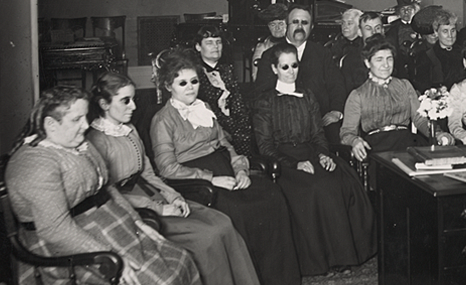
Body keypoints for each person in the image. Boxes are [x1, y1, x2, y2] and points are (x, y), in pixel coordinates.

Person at [6, 86, 201, 285]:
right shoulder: (33, 163)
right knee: (161, 281)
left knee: (182, 259)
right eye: (76, 120)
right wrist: (107, 255)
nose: (85, 125)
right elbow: (55, 230)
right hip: (69, 248)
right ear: (50, 124)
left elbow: (108, 190)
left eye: (85, 117)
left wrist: (138, 223)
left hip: (109, 226)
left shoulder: (80, 144)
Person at [86, 72, 260, 285]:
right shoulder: (96, 141)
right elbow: (110, 195)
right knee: (206, 237)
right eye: (125, 101)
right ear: (104, 104)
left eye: (133, 99)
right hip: (133, 209)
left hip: (155, 193)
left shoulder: (129, 130)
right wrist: (158, 208)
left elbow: (149, 174)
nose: (133, 106)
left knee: (222, 222)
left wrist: (174, 196)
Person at [149, 49, 301, 285]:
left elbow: (225, 144)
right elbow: (167, 169)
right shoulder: (162, 120)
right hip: (196, 181)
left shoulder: (205, 107)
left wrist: (240, 168)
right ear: (169, 86)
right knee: (238, 210)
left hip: (225, 168)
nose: (190, 88)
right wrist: (211, 179)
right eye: (182, 83)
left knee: (272, 195)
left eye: (194, 81)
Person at [253, 43, 377, 276]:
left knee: (340, 179)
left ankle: (345, 256)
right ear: (274, 69)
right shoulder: (265, 101)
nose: (291, 71)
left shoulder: (307, 95)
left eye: (295, 66)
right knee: (315, 188)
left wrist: (323, 155)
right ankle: (323, 261)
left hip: (311, 152)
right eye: (285, 66)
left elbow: (318, 134)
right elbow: (265, 146)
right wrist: (294, 164)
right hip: (283, 162)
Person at [341, 36, 454, 161]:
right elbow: (347, 133)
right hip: (377, 148)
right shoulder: (358, 95)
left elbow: (419, 119)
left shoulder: (405, 85)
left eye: (389, 59)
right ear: (367, 63)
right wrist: (355, 141)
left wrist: (437, 134)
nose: (386, 65)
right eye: (379, 59)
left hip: (406, 143)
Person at [256, 4, 348, 144]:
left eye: (304, 23)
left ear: (311, 28)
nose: (299, 26)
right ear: (286, 26)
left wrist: (336, 111)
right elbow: (261, 92)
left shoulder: (322, 54)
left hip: (320, 121)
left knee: (336, 143)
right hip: (283, 122)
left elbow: (336, 86)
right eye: (295, 22)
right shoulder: (270, 55)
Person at [195, 25, 255, 157]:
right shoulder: (195, 74)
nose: (215, 46)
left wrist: (243, 123)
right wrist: (234, 127)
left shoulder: (227, 69)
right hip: (211, 126)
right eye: (209, 43)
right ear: (198, 47)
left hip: (233, 124)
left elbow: (237, 100)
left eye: (218, 42)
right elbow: (207, 108)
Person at [412, 8, 465, 93]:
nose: (450, 35)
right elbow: (422, 87)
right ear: (436, 33)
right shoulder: (427, 57)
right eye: (445, 31)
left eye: (453, 30)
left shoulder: (463, 53)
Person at [341, 12, 386, 94]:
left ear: (383, 31)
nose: (374, 32)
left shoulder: (393, 56)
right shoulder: (350, 60)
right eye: (368, 29)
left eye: (378, 28)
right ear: (360, 32)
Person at [252, 3, 288, 81]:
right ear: (268, 27)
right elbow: (256, 77)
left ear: (287, 24)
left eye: (281, 24)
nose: (277, 28)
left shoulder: (294, 44)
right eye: (273, 25)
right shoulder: (262, 47)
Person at [386, 0, 420, 78]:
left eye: (409, 9)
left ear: (414, 10)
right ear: (398, 12)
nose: (406, 12)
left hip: (417, 66)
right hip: (399, 67)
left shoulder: (420, 27)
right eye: (403, 9)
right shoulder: (392, 29)